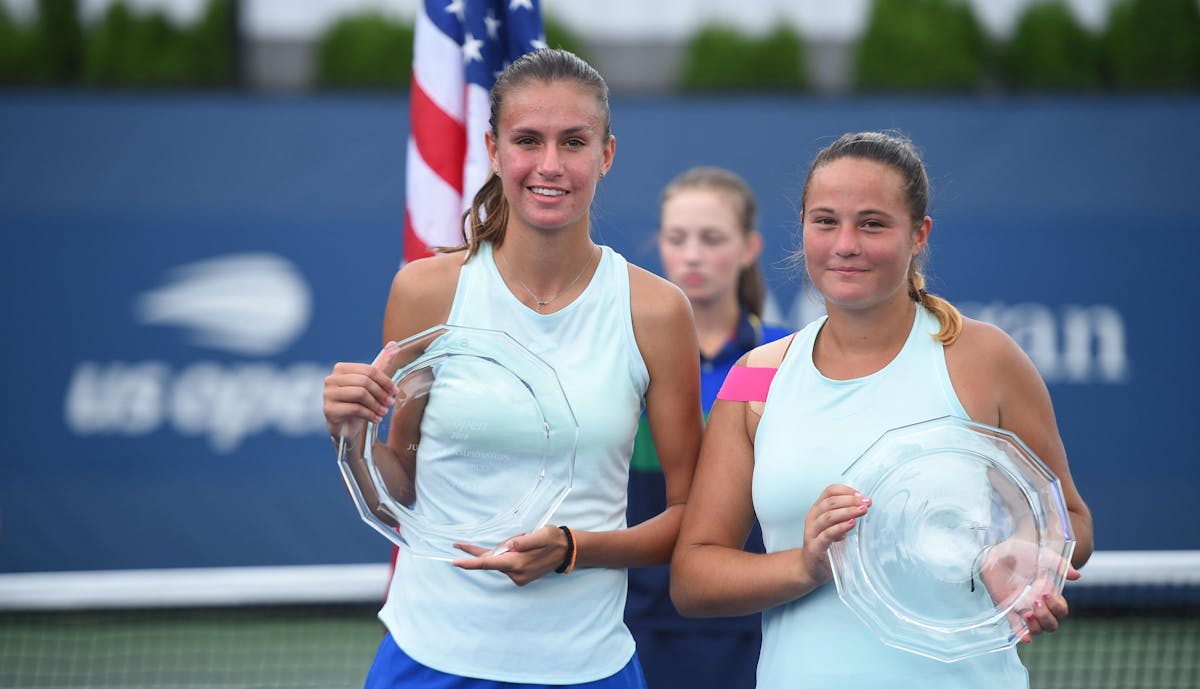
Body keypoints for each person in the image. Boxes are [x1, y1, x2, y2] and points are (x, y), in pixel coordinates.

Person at [322, 49, 703, 689]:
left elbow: (692, 518)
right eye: (528, 141)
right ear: (494, 150)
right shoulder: (424, 292)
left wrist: (573, 549)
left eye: (573, 142)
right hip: (429, 658)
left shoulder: (657, 311)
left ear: (605, 155)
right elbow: (400, 490)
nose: (549, 165)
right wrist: (349, 432)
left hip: (588, 666)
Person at [669, 131, 1094, 688]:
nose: (846, 244)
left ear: (919, 235)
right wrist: (806, 565)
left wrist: (1022, 551)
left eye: (872, 223)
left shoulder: (984, 358)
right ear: (802, 226)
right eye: (825, 221)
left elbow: (1070, 521)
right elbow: (693, 578)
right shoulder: (756, 377)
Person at [625, 167, 789, 689]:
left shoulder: (792, 356)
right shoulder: (622, 355)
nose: (692, 255)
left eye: (712, 239)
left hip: (761, 623)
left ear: (748, 248)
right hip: (632, 625)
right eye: (677, 239)